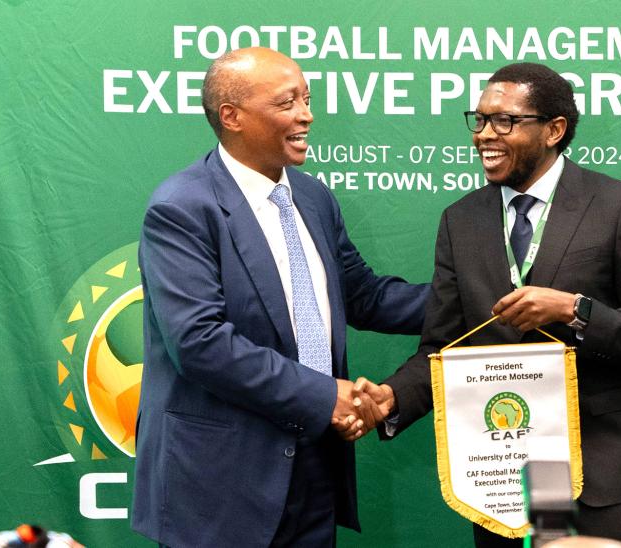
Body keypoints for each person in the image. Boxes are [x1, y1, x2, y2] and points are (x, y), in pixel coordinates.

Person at [352, 63, 621, 547]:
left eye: (505, 121)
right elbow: (442, 348)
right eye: (480, 120)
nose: (485, 135)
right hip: (502, 480)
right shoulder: (461, 221)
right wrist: (391, 398)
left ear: (555, 129)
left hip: (598, 475)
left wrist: (575, 310)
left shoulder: (618, 207)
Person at [131, 47, 429, 548]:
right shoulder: (182, 207)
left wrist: (484, 302)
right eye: (288, 102)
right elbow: (200, 343)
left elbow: (366, 297)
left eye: (307, 100)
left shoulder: (312, 197)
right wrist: (324, 395)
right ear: (233, 117)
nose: (307, 115)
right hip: (220, 485)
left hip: (315, 466)